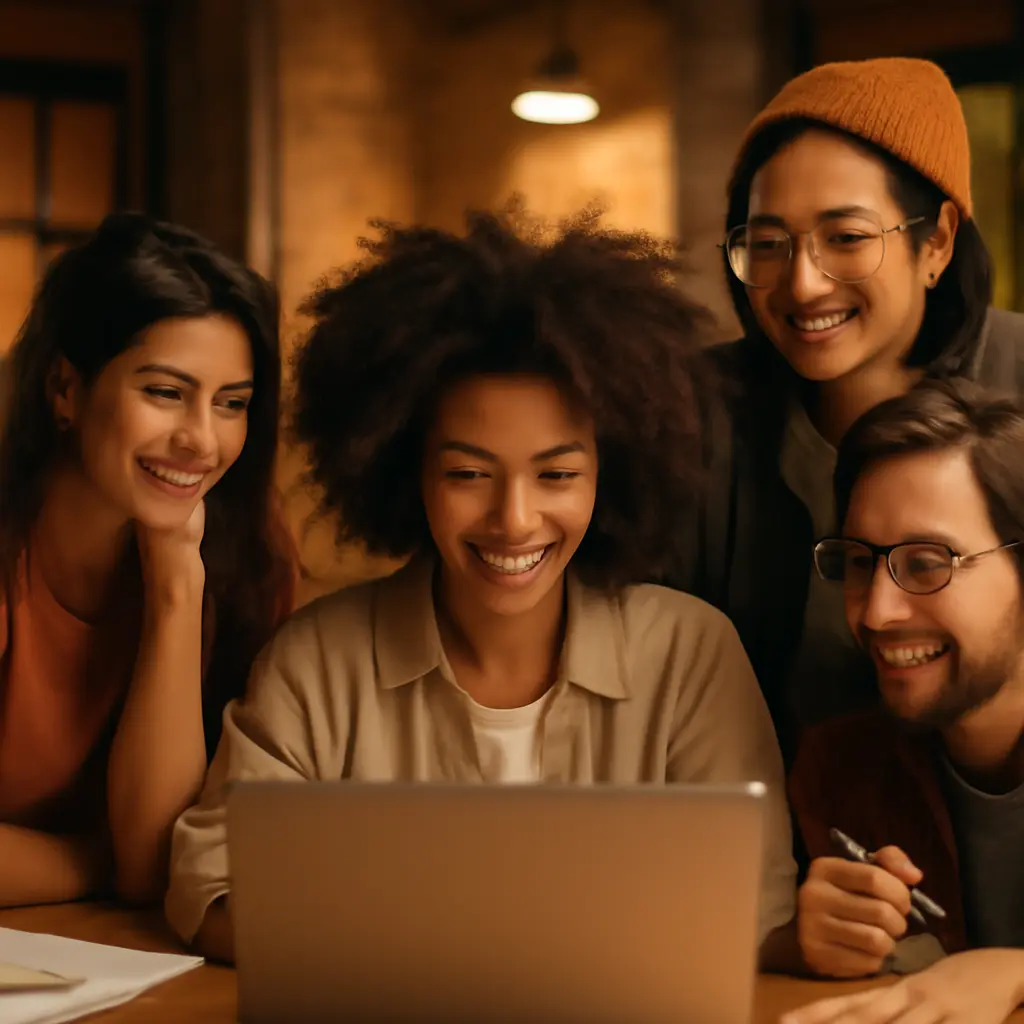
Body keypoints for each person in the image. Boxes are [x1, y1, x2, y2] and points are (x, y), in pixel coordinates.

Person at [165, 203, 798, 966]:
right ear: (404, 470)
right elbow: (209, 891)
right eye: (468, 474)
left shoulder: (690, 655)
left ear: (615, 470)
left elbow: (752, 915)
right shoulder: (317, 663)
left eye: (557, 474)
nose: (514, 519)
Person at [665, 57, 1024, 767]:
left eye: (847, 239)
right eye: (767, 244)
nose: (802, 282)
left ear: (938, 241)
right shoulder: (691, 416)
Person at [0, 212, 295, 908]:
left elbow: (155, 867)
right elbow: (150, 868)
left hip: (123, 972)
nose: (200, 439)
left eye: (231, 404)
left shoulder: (247, 556)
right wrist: (93, 863)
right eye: (165, 392)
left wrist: (174, 580)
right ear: (66, 389)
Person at [783, 379, 1024, 1024]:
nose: (879, 613)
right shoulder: (841, 768)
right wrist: (824, 941)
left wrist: (1012, 971)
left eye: (927, 564)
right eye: (861, 562)